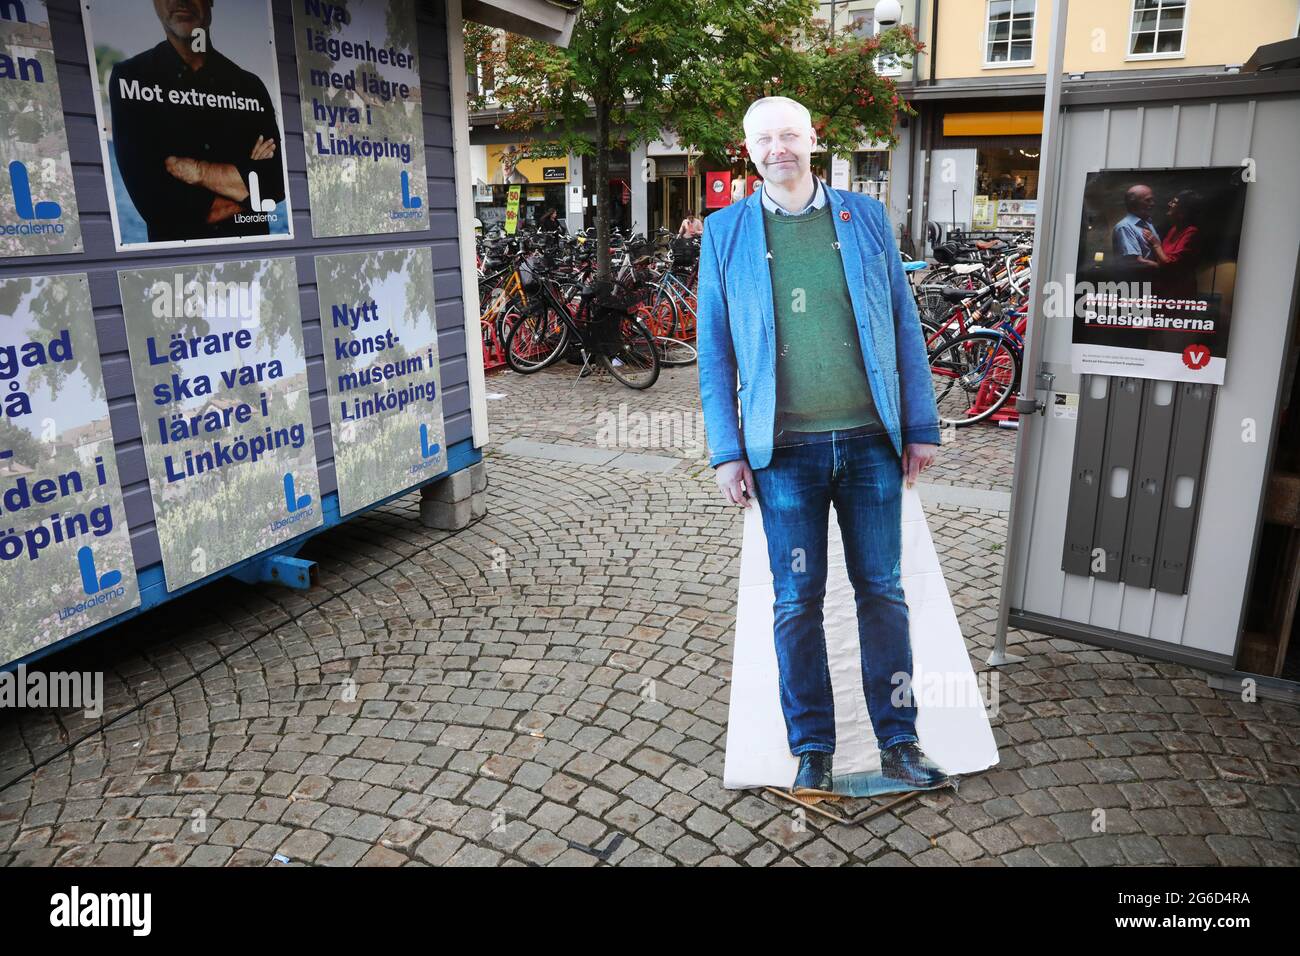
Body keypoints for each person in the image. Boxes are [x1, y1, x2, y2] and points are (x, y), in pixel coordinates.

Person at [697, 95, 947, 797]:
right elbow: (713, 353)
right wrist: (726, 450)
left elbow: (903, 324)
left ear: (813, 138)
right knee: (796, 600)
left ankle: (900, 742)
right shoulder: (726, 233)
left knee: (884, 592)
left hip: (871, 442)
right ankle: (812, 748)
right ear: (748, 150)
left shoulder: (863, 218)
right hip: (784, 453)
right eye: (764, 138)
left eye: (790, 134)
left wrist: (921, 426)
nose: (779, 147)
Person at [109, 0, 286, 243]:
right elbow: (159, 208)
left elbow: (275, 182)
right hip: (177, 274)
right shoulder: (131, 77)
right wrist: (249, 194)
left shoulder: (249, 86)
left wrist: (197, 171)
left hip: (254, 264)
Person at [1141, 190, 1203, 298]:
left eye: (1174, 202)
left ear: (1184, 210)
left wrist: (1155, 244)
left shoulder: (1191, 232)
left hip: (1178, 292)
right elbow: (1162, 259)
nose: (1169, 204)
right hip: (1164, 289)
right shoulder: (1174, 229)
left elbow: (1169, 264)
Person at [1111, 184, 1158, 265]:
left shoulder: (1147, 222)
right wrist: (1164, 268)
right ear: (1134, 204)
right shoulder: (1124, 227)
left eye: (1152, 200)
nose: (1153, 203)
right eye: (1148, 200)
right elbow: (1134, 261)